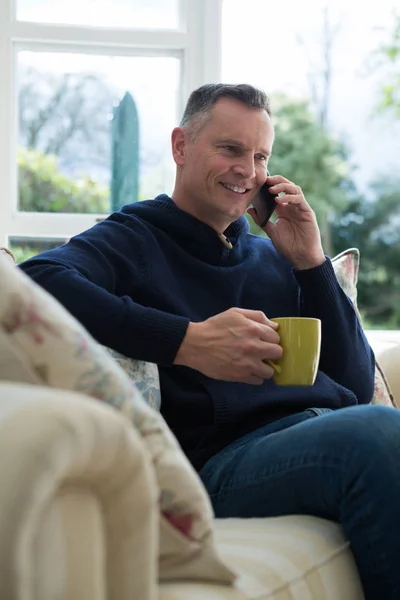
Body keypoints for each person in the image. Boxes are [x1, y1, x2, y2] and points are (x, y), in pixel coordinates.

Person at [19, 83, 400, 599]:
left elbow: (354, 389)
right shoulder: (135, 237)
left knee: (375, 430)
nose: (248, 169)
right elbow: (36, 280)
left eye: (260, 155)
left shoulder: (277, 256)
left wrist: (311, 264)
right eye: (230, 149)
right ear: (181, 147)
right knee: (378, 435)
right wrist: (186, 341)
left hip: (320, 436)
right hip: (226, 462)